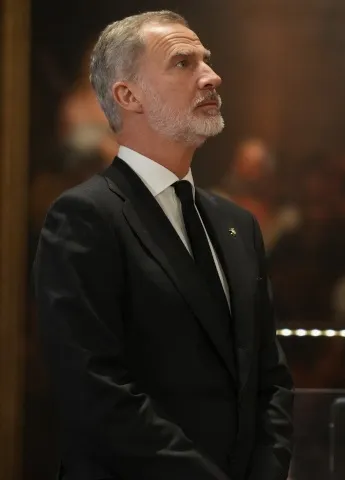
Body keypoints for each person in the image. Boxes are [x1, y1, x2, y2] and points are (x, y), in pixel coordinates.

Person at [32, 11, 293, 480]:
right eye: (183, 63)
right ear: (128, 95)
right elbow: (97, 391)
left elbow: (270, 379)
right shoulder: (85, 217)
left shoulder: (237, 224)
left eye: (206, 61)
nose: (212, 76)